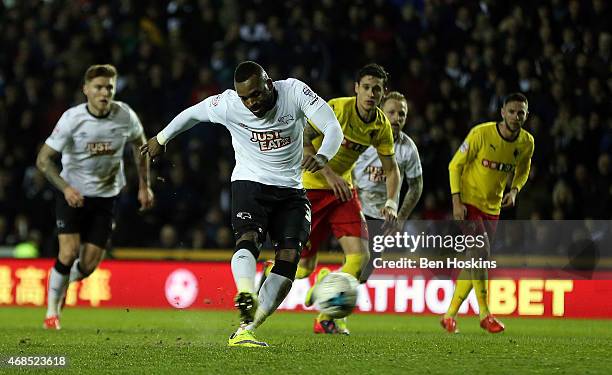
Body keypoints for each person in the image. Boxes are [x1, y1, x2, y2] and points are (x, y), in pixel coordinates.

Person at [140, 61, 343, 347]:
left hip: (291, 190)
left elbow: (332, 127)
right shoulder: (229, 103)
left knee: (288, 262)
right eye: (245, 97)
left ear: (269, 83)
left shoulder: (294, 92)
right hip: (250, 182)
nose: (251, 103)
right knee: (248, 239)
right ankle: (246, 291)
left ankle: (246, 329)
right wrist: (161, 138)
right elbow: (192, 114)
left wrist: (322, 157)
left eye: (256, 95)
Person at [37, 64, 154, 330]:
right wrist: (65, 188)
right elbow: (43, 160)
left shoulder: (125, 116)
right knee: (67, 252)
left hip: (105, 197)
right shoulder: (71, 119)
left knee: (88, 266)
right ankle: (52, 312)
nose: (104, 93)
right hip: (72, 195)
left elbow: (141, 148)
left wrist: (144, 186)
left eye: (109, 88)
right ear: (86, 90)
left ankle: (63, 284)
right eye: (99, 87)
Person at [298, 63, 401, 335]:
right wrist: (330, 175)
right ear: (356, 88)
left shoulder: (380, 126)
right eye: (365, 87)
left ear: (382, 93)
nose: (370, 93)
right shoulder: (334, 109)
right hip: (311, 188)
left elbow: (392, 170)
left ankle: (326, 318)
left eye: (376, 89)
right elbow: (303, 141)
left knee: (360, 257)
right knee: (302, 269)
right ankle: (309, 279)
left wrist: (391, 202)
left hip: (343, 191)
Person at [441, 93, 534, 334]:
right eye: (511, 111)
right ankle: (485, 314)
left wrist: (514, 190)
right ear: (502, 112)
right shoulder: (481, 133)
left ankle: (449, 315)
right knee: (481, 252)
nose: (515, 116)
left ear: (526, 115)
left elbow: (523, 170)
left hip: (493, 208)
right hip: (469, 202)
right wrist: (456, 201)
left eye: (520, 113)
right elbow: (454, 165)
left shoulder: (526, 142)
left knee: (474, 259)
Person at [353, 91, 423, 277]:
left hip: (382, 217)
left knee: (365, 272)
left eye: (401, 114)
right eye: (391, 112)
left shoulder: (408, 148)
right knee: (355, 261)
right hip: (354, 207)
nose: (396, 118)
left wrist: (400, 218)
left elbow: (416, 186)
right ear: (381, 111)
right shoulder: (363, 137)